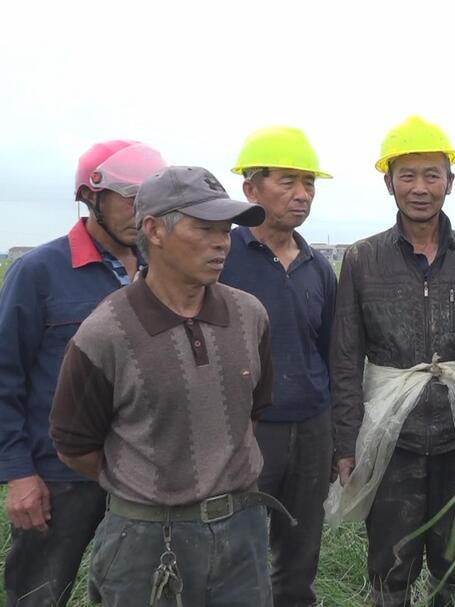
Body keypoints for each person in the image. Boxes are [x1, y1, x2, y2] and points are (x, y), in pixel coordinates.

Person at [49, 166, 286, 606]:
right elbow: (74, 446)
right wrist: (153, 483)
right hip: (146, 540)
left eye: (226, 230)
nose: (222, 243)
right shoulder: (106, 332)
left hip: (243, 533)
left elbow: (251, 413)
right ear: (155, 230)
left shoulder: (250, 315)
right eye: (205, 228)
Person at [330, 116, 455, 607]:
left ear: (450, 182)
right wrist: (346, 443)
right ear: (388, 183)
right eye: (407, 175)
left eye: (432, 175)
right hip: (390, 441)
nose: (420, 188)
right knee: (389, 566)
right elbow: (344, 358)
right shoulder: (363, 261)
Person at [0, 140, 165, 606]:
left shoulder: (164, 272)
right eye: (130, 198)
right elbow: (5, 375)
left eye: (151, 200)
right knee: (40, 593)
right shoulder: (39, 271)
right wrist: (19, 474)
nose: (142, 211)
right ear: (92, 197)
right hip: (59, 473)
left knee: (140, 593)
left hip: (144, 472)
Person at [219, 126, 336, 607]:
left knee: (301, 551)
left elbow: (329, 351)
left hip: (311, 427)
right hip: (244, 430)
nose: (302, 195)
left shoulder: (318, 266)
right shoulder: (223, 256)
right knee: (234, 549)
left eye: (308, 183)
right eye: (287, 182)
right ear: (251, 189)